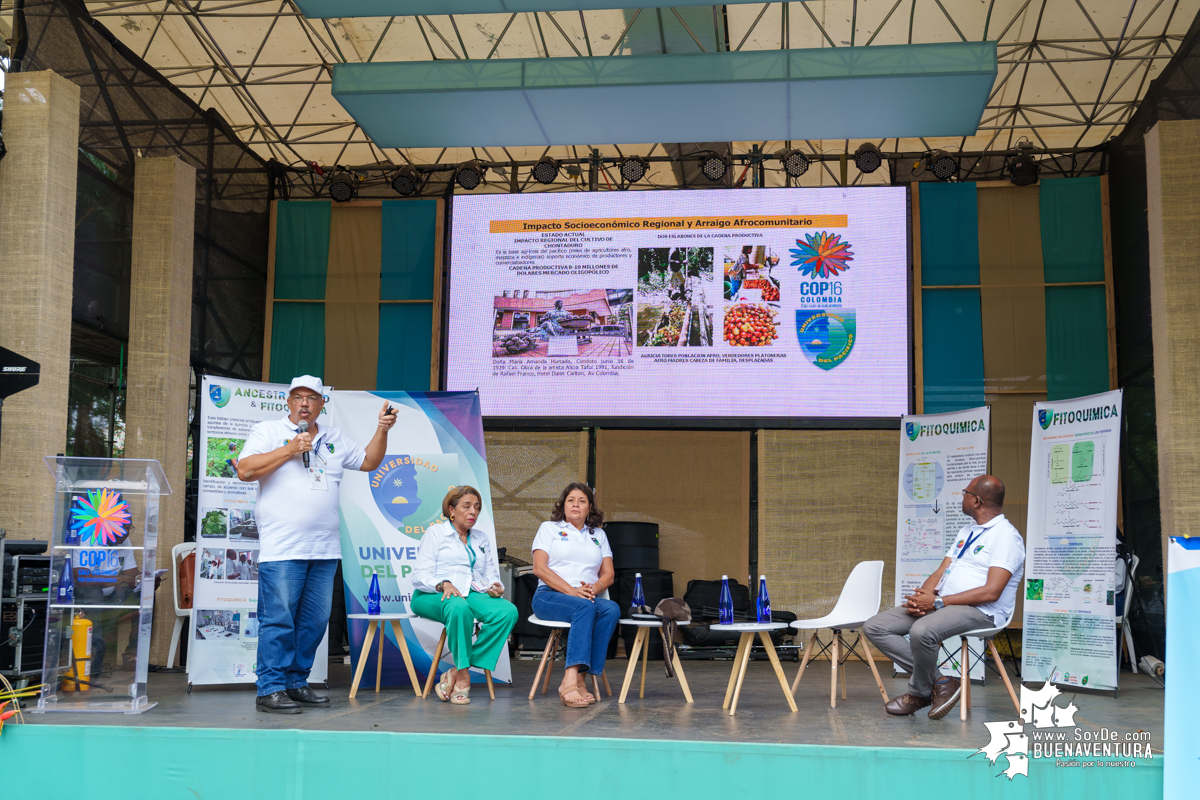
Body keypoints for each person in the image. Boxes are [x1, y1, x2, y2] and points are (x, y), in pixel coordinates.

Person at [237, 375, 396, 714]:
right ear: (289, 402)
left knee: (314, 622)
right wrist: (289, 449)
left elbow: (369, 462)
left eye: (312, 398)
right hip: (282, 549)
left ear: (323, 404)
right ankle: (270, 688)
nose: (305, 403)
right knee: (278, 620)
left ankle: (296, 682)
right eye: (298, 397)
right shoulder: (267, 431)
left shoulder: (334, 438)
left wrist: (382, 429)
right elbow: (245, 470)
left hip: (324, 550)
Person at [864, 475, 1026, 719]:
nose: (962, 496)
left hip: (983, 611)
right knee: (876, 627)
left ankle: (918, 693)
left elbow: (992, 591)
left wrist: (938, 602)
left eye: (965, 492)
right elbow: (941, 571)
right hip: (944, 604)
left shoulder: (1006, 537)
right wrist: (924, 597)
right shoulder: (967, 531)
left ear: (977, 501)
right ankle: (940, 682)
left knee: (922, 630)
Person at [411, 486, 518, 705]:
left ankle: (458, 671)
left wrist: (494, 587)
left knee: (507, 611)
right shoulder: (436, 533)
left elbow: (490, 574)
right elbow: (420, 575)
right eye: (466, 506)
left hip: (470, 593)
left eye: (477, 508)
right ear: (451, 510)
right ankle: (464, 676)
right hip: (431, 595)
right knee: (458, 607)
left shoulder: (480, 538)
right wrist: (443, 584)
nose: (473, 512)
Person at [530, 482, 619, 709]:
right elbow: (540, 569)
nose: (576, 505)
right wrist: (573, 591)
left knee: (611, 609)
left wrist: (594, 589)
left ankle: (580, 677)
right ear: (564, 504)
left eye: (582, 501)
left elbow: (608, 574)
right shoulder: (549, 528)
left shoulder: (598, 534)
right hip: (549, 596)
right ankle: (568, 680)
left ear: (590, 507)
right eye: (571, 500)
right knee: (585, 607)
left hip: (585, 597)